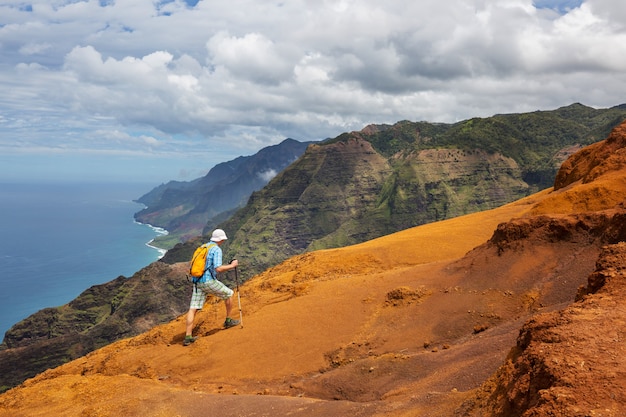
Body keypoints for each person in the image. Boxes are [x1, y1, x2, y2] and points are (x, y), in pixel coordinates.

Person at [184, 228, 239, 346]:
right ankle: (228, 320)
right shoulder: (216, 249)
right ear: (221, 239)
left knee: (193, 308)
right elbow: (218, 268)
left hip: (197, 281)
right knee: (229, 293)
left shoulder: (203, 247)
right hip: (208, 281)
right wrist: (232, 265)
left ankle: (188, 336)